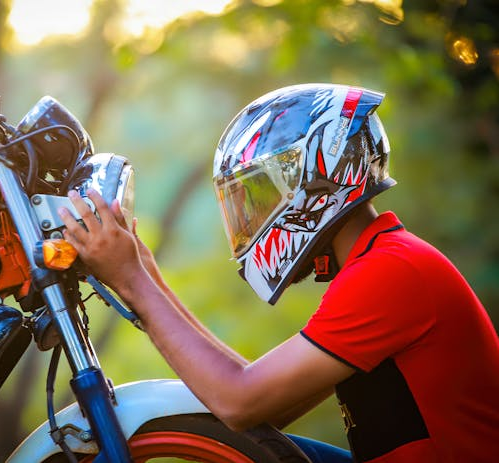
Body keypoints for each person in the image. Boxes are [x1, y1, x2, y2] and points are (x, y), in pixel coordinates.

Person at [58, 84, 499, 462]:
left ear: (316, 177)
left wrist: (131, 280)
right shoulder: (379, 260)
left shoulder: (390, 273)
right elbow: (261, 407)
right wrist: (146, 273)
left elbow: (241, 400)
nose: (254, 214)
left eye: (261, 194)